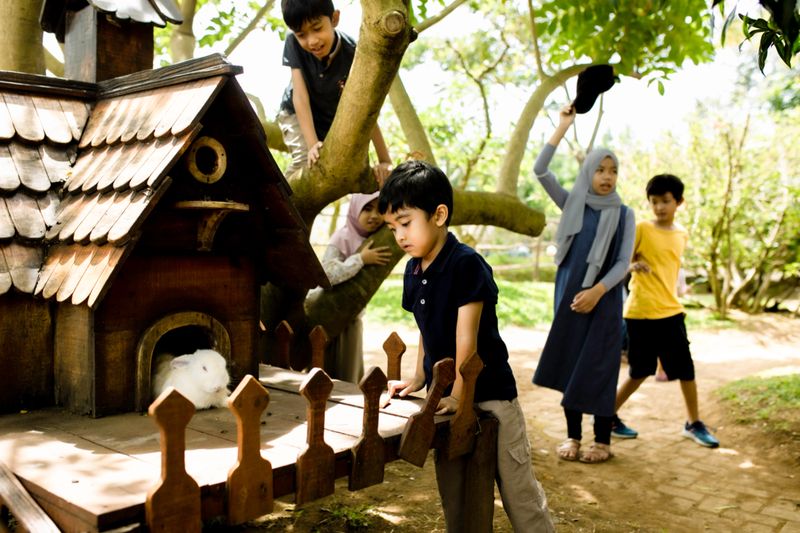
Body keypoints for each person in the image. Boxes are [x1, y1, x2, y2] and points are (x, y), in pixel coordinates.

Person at [378, 161, 554, 532]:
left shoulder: (466, 265)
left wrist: (461, 396)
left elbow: (466, 339)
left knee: (517, 491)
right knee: (453, 488)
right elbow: (425, 331)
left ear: (439, 214)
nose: (399, 235)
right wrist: (418, 380)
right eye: (393, 227)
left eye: (406, 223)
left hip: (490, 394)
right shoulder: (413, 269)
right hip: (445, 395)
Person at [531, 104, 635, 464]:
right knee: (571, 363)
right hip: (570, 298)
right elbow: (540, 170)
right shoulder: (573, 202)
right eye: (601, 170)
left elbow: (623, 262)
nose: (607, 176)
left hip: (604, 301)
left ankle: (602, 441)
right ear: (589, 172)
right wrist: (563, 126)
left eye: (613, 171)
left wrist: (597, 292)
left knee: (600, 366)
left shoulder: (624, 213)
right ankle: (573, 437)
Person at [610, 174, 720, 448]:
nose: (659, 207)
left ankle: (693, 423)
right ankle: (607, 416)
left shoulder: (682, 234)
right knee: (640, 370)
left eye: (666, 201)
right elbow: (618, 262)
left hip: (671, 311)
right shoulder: (642, 229)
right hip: (640, 312)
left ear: (678, 202)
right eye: (654, 201)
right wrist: (632, 267)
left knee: (686, 369)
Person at [278, 0, 392, 182]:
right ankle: (281, 204)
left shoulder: (354, 54)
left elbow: (364, 110)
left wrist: (384, 159)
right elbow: (300, 96)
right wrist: (312, 143)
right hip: (296, 113)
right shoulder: (292, 43)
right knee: (304, 160)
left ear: (334, 18)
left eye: (317, 29)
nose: (312, 41)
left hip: (331, 117)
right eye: (301, 35)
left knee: (351, 161)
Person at [312, 192, 391, 382]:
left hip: (352, 317)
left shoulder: (374, 238)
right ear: (355, 209)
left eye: (379, 209)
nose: (373, 215)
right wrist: (360, 259)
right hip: (328, 313)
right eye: (367, 208)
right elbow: (327, 274)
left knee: (349, 369)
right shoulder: (343, 236)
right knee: (327, 368)